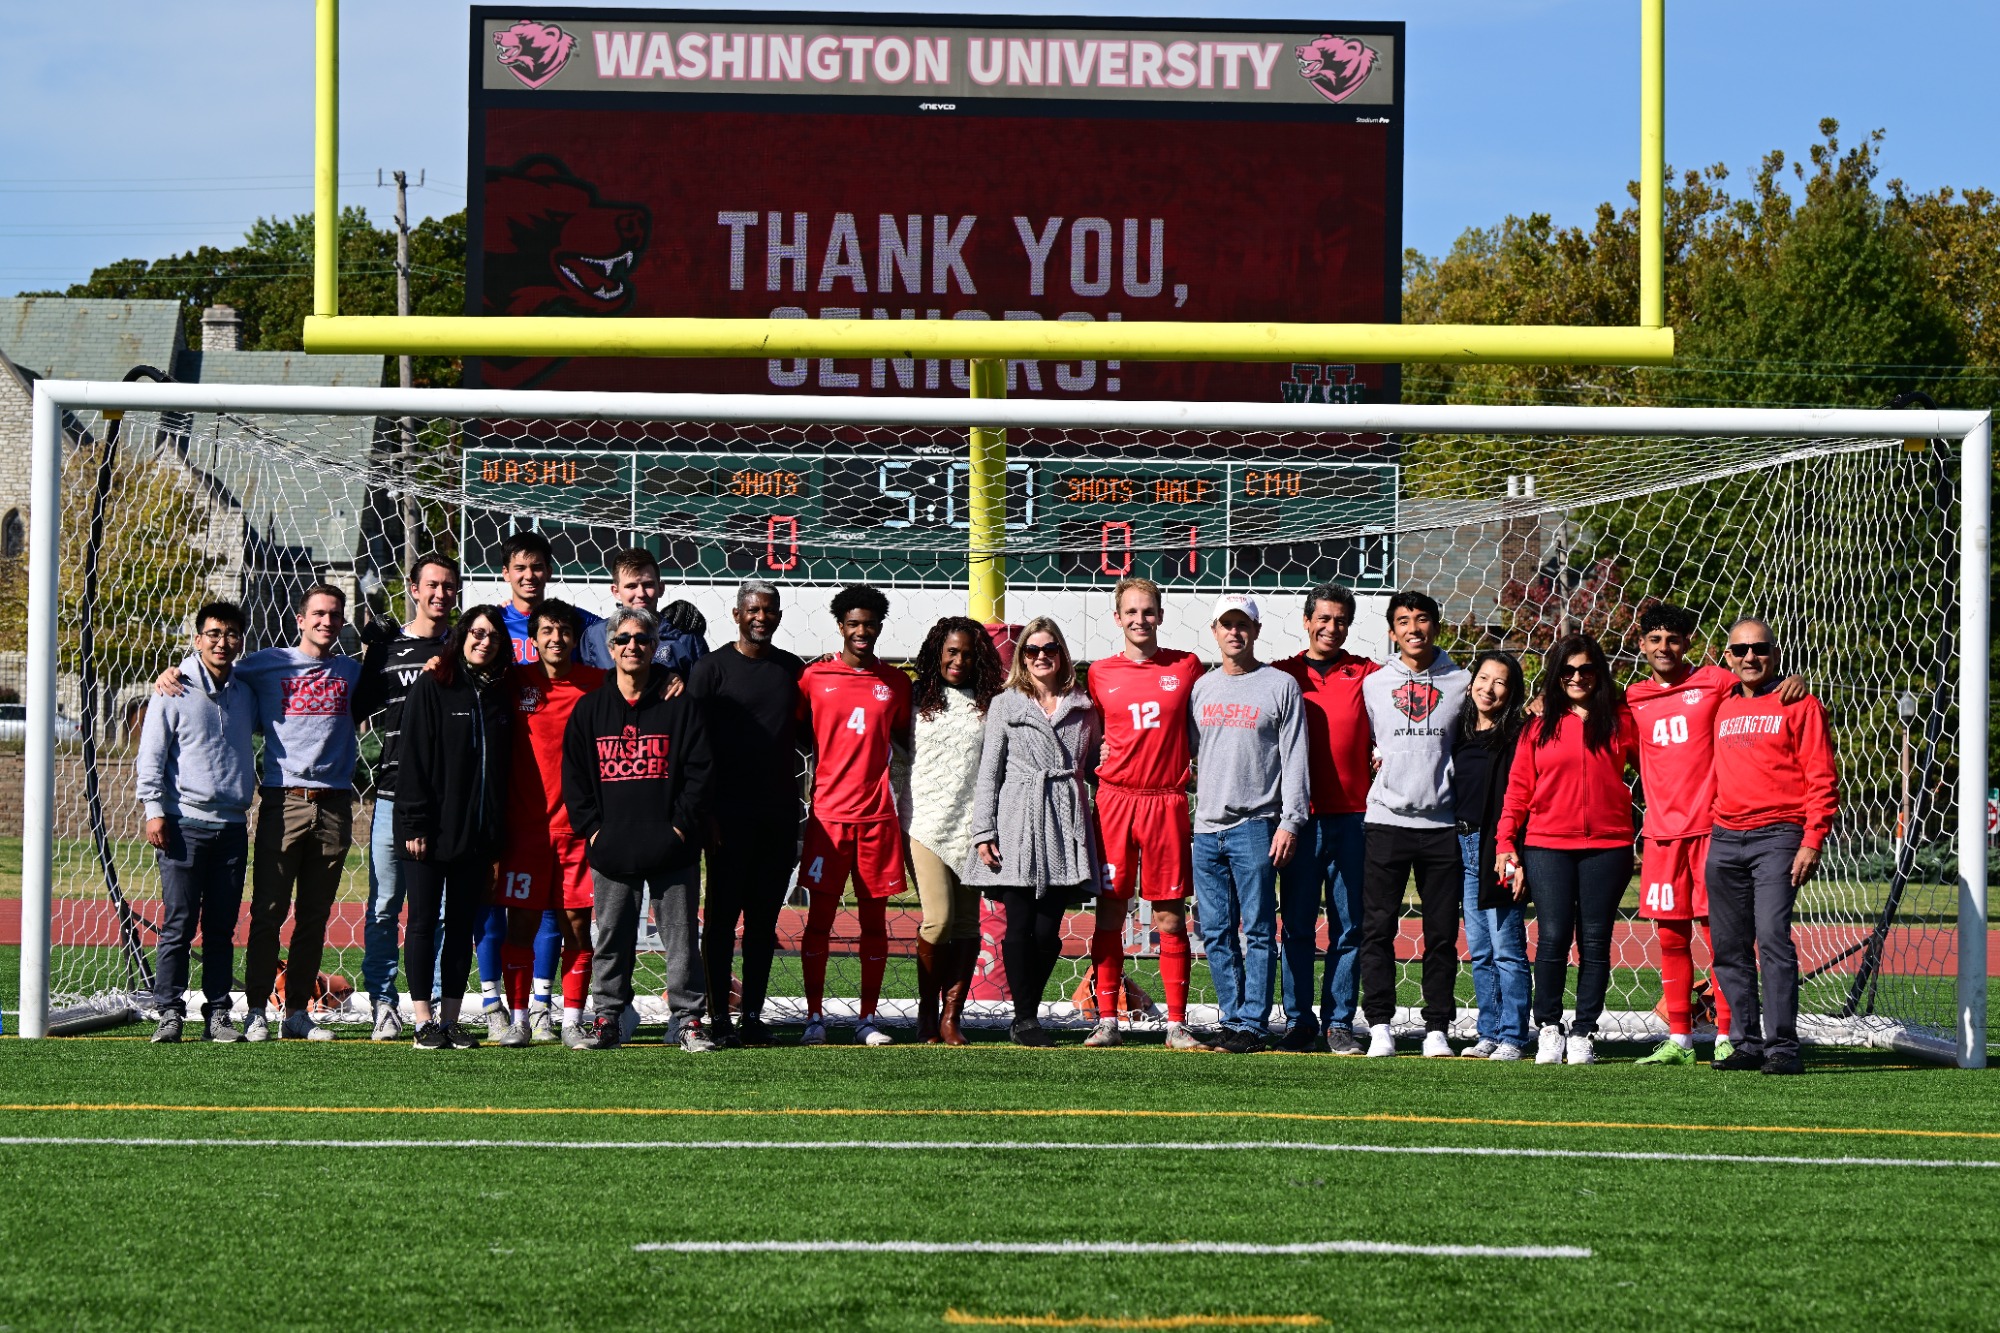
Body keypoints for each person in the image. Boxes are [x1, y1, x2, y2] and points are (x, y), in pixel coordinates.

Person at [1625, 603, 1806, 1067]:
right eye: (1655, 640)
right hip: (1662, 836)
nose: (1664, 647)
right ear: (1641, 645)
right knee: (1669, 936)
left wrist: (1798, 679)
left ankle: (1729, 1033)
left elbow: (1758, 681)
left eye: (1673, 639)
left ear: (1690, 644)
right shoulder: (1633, 697)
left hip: (1714, 832)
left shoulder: (1715, 681)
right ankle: (1680, 1037)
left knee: (1723, 936)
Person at [561, 606, 715, 1050]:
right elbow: (574, 778)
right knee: (610, 937)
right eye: (624, 639)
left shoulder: (680, 705)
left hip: (672, 848)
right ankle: (608, 1018)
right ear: (610, 649)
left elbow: (700, 772)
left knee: (682, 939)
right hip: (612, 848)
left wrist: (681, 828)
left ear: (654, 647)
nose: (633, 646)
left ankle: (687, 1020)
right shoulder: (590, 710)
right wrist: (593, 831)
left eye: (642, 639)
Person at [1495, 634, 1640, 1066]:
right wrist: (1507, 842)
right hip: (1546, 845)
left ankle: (1583, 1031)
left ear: (1599, 673)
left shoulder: (1622, 720)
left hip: (1609, 846)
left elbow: (1655, 774)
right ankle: (1550, 1028)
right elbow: (1518, 791)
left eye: (1586, 669)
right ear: (1556, 676)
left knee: (1595, 941)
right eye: (1568, 670)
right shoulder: (1536, 727)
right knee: (1553, 937)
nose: (1578, 677)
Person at [232, 583, 365, 1042]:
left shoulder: (352, 672)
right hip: (282, 800)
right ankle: (255, 1010)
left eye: (334, 615)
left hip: (333, 805)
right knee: (268, 911)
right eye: (319, 614)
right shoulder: (268, 664)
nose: (326, 621)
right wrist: (175, 673)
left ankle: (296, 1014)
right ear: (300, 620)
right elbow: (216, 671)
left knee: (314, 915)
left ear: (342, 622)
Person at [1707, 617, 1839, 1076]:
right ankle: (1745, 1043)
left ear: (1775, 653)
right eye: (1740, 650)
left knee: (1772, 940)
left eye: (1759, 649)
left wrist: (1812, 840)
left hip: (1778, 837)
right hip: (1723, 838)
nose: (1750, 657)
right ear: (1727, 657)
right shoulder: (1720, 703)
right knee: (1728, 946)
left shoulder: (1800, 703)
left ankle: (1782, 1045)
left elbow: (1822, 778)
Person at [964, 617, 1102, 1047]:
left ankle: (1028, 1008)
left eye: (1050, 649)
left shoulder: (1083, 705)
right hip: (1016, 819)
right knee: (1018, 924)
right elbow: (990, 772)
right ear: (1022, 656)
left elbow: (1099, 761)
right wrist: (983, 830)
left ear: (1062, 653)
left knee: (1048, 932)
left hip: (1064, 820)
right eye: (1032, 650)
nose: (1041, 656)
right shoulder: (1006, 703)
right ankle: (1025, 1019)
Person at [1084, 576, 1207, 1051]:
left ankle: (1177, 1024)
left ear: (1161, 614)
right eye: (1131, 612)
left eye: (1148, 611)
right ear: (1118, 618)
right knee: (1111, 912)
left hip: (1167, 801)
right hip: (1114, 800)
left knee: (1170, 916)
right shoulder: (1099, 672)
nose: (1140, 620)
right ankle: (1108, 1020)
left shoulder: (1187, 666)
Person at [485, 530, 598, 1037]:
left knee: (576, 925)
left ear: (575, 636)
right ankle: (521, 1018)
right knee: (521, 925)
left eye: (563, 632)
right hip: (526, 830)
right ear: (536, 637)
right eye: (546, 631)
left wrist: (672, 675)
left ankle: (571, 1018)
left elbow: (643, 676)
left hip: (579, 831)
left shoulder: (598, 684)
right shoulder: (515, 680)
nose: (555, 639)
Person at [687, 580, 807, 1048]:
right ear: (737, 615)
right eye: (753, 610)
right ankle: (718, 1017)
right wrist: (706, 814)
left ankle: (753, 1016)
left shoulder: (791, 670)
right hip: (725, 819)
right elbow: (692, 748)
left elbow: (810, 736)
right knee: (720, 922)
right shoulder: (710, 670)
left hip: (778, 816)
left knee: (763, 923)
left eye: (770, 610)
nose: (762, 617)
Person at [1188, 595, 1309, 1054]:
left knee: (1258, 929)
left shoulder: (1279, 686)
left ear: (1256, 632)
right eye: (1227, 625)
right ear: (1215, 632)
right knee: (1216, 931)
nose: (1235, 632)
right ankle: (1232, 1016)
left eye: (1244, 625)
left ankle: (1254, 1023)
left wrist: (1291, 821)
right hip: (1206, 829)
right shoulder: (1201, 688)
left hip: (1256, 825)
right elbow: (1190, 753)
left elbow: (1296, 757)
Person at [135, 601, 256, 1043]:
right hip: (184, 823)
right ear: (198, 639)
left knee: (222, 926)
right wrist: (153, 811)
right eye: (214, 633)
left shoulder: (246, 692)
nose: (223, 641)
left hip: (232, 827)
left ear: (241, 639)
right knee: (180, 923)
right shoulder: (174, 690)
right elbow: (151, 756)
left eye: (231, 634)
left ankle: (218, 1014)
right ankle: (168, 1010)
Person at [797, 584, 912, 1047]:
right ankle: (813, 1018)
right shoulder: (813, 678)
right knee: (819, 919)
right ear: (840, 626)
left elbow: (905, 740)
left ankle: (867, 1018)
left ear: (879, 627)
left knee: (873, 923)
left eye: (870, 623)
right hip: (828, 817)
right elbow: (798, 733)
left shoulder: (896, 683)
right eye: (854, 623)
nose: (862, 631)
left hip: (877, 818)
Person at [351, 553, 460, 1041]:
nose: (440, 594)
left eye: (449, 587)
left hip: (444, 804)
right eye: (432, 585)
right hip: (392, 797)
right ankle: (383, 1002)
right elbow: (355, 708)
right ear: (414, 589)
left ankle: (432, 1000)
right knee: (384, 905)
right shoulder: (390, 648)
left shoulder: (464, 649)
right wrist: (370, 653)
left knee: (435, 909)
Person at [396, 605, 513, 1050]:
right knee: (425, 922)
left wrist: (495, 834)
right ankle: (423, 1021)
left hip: (476, 834)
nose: (485, 642)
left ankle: (450, 1019)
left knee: (463, 926)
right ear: (462, 636)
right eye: (477, 634)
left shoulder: (501, 691)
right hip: (427, 831)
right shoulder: (434, 683)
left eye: (493, 637)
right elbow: (414, 759)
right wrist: (414, 822)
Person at [1358, 591, 1469, 1058]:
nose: (1413, 629)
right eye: (1403, 621)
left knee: (1441, 933)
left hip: (1442, 824)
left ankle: (1437, 1028)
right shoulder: (1374, 684)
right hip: (1385, 820)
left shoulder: (1462, 682)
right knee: (1377, 928)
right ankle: (1380, 1024)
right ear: (1391, 631)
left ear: (1436, 627)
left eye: (1422, 620)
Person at [1273, 583, 1379, 1054]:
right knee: (1295, 925)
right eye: (1324, 618)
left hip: (1354, 819)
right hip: (1298, 820)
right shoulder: (1280, 676)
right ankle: (1299, 1021)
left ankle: (1339, 1022)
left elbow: (1417, 700)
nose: (1332, 628)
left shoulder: (1370, 675)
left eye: (1341, 621)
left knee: (1349, 925)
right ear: (1306, 620)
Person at [904, 616, 1006, 1044]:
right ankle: (927, 1015)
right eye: (951, 652)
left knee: (967, 925)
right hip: (924, 822)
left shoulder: (992, 702)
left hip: (974, 826)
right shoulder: (913, 697)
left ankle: (951, 1018)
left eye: (967, 653)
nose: (958, 660)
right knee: (939, 920)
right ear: (937, 653)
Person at [1454, 651, 1532, 1061]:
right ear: (1471, 683)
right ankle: (1489, 1030)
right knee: (1480, 949)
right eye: (1483, 678)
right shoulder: (1459, 731)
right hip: (1464, 845)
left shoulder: (1520, 734)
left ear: (1512, 691)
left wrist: (1512, 847)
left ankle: (1515, 1036)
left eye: (1500, 681)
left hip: (1499, 847)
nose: (1489, 688)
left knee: (1507, 948)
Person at [606, 547, 708, 675]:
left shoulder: (686, 638)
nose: (641, 593)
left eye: (648, 585)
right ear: (616, 591)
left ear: (660, 588)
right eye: (631, 586)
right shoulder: (594, 637)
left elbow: (703, 690)